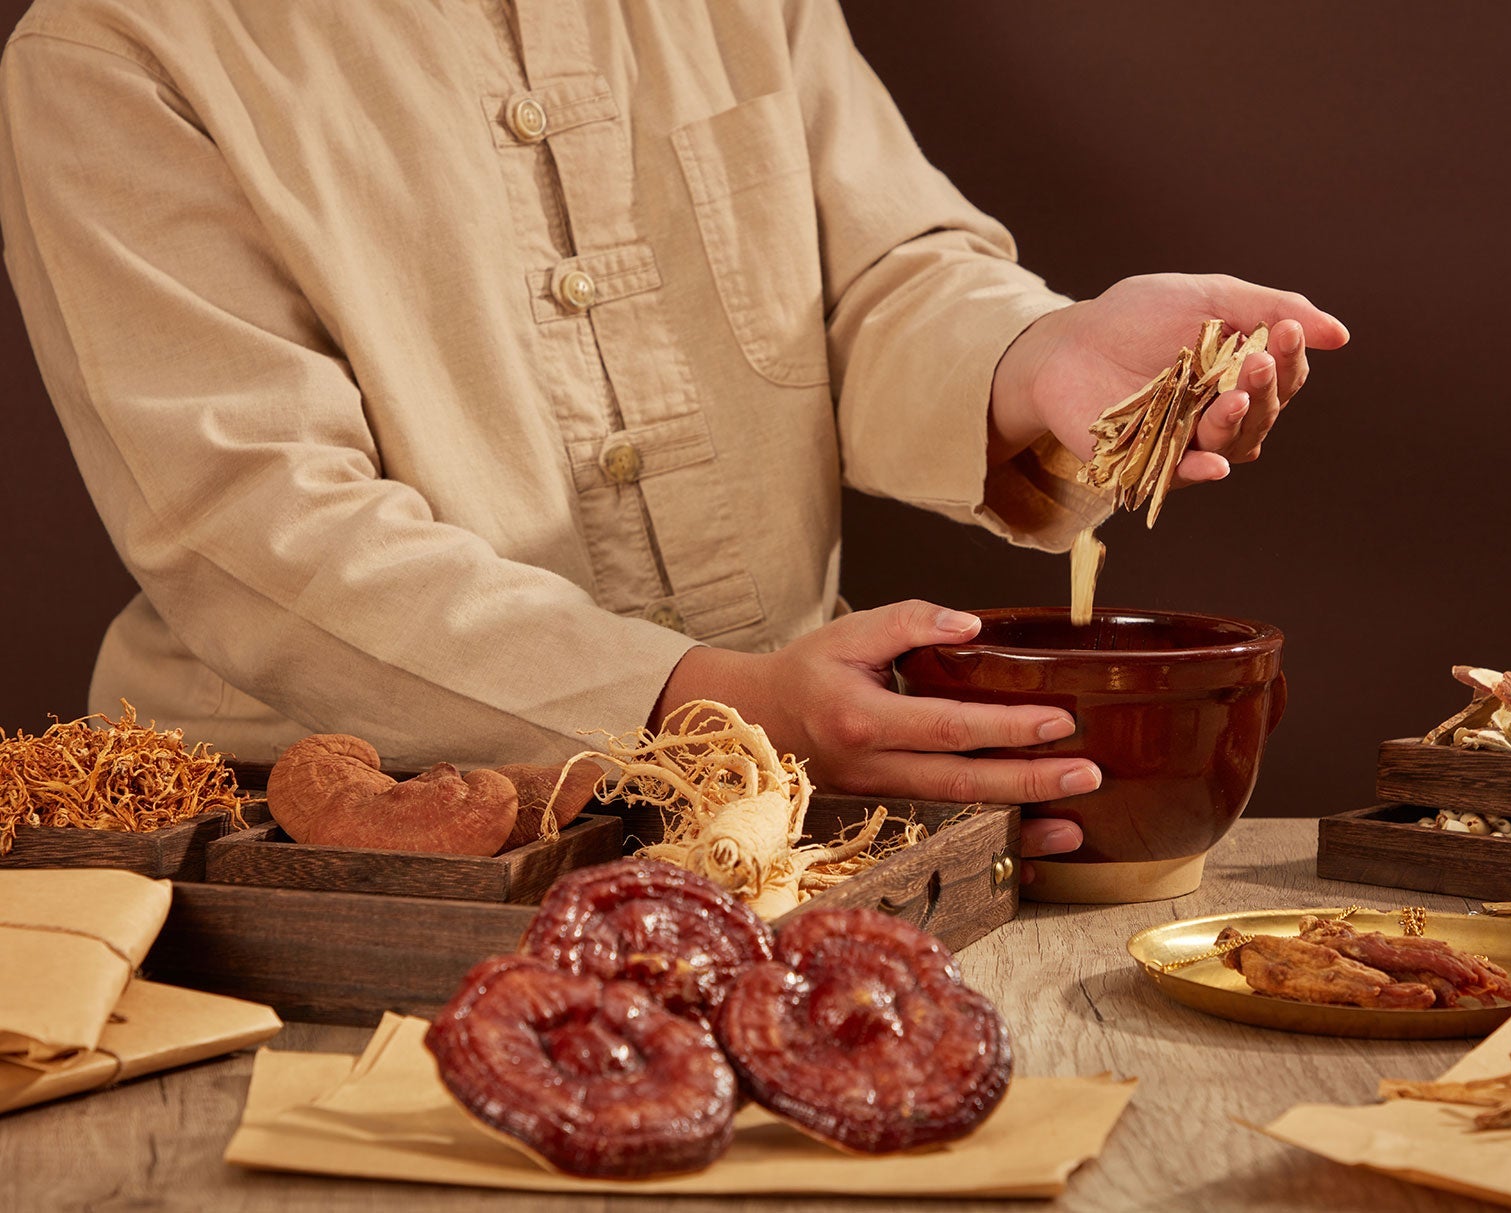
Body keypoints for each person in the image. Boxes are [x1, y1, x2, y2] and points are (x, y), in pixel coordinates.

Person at [0, 0, 1346, 867]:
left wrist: (1039, 355)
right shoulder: (115, 45)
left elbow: (876, 279)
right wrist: (732, 705)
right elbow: (251, 527)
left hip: (783, 811)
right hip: (316, 850)